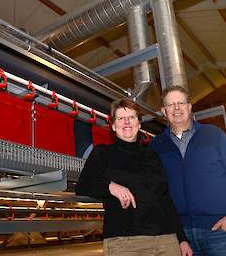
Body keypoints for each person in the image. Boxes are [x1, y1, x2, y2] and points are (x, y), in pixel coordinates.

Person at [75, 98, 192, 256]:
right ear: (114, 126)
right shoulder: (103, 153)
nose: (127, 122)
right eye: (121, 118)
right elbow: (83, 185)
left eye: (131, 117)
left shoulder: (152, 156)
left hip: (166, 240)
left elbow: (165, 200)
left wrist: (181, 238)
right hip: (126, 243)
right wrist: (111, 187)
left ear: (139, 124)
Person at [150, 85, 226, 256]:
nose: (176, 108)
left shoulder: (213, 135)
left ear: (189, 107)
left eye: (181, 103)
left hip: (219, 230)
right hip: (182, 236)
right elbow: (156, 189)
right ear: (164, 111)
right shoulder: (157, 145)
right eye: (170, 104)